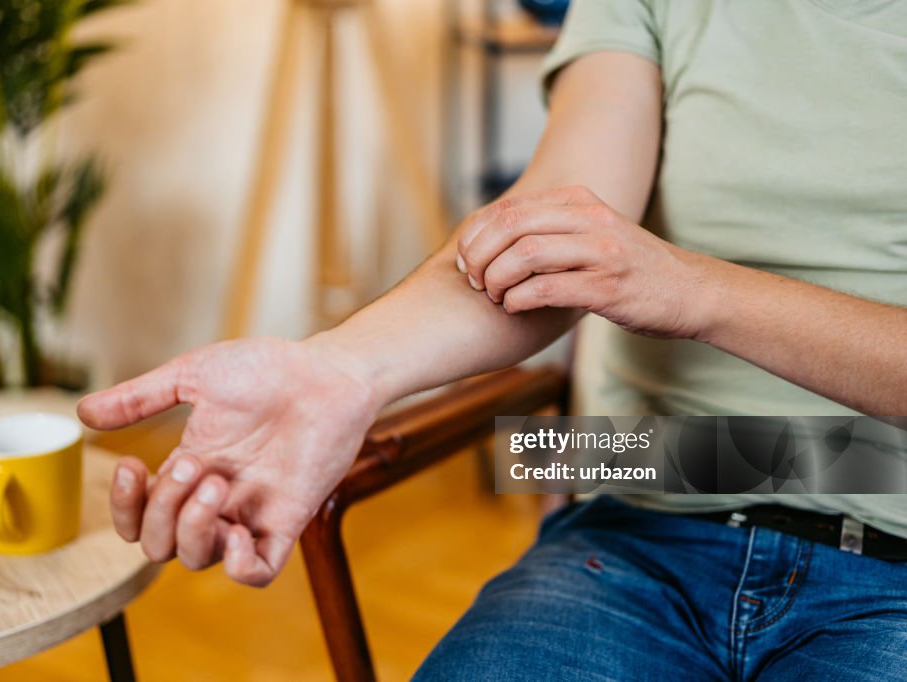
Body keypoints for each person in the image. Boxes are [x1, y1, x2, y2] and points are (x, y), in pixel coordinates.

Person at [78, 0, 907, 678]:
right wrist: (337, 368)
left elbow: (638, 270)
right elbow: (551, 229)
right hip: (642, 517)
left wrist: (690, 287)